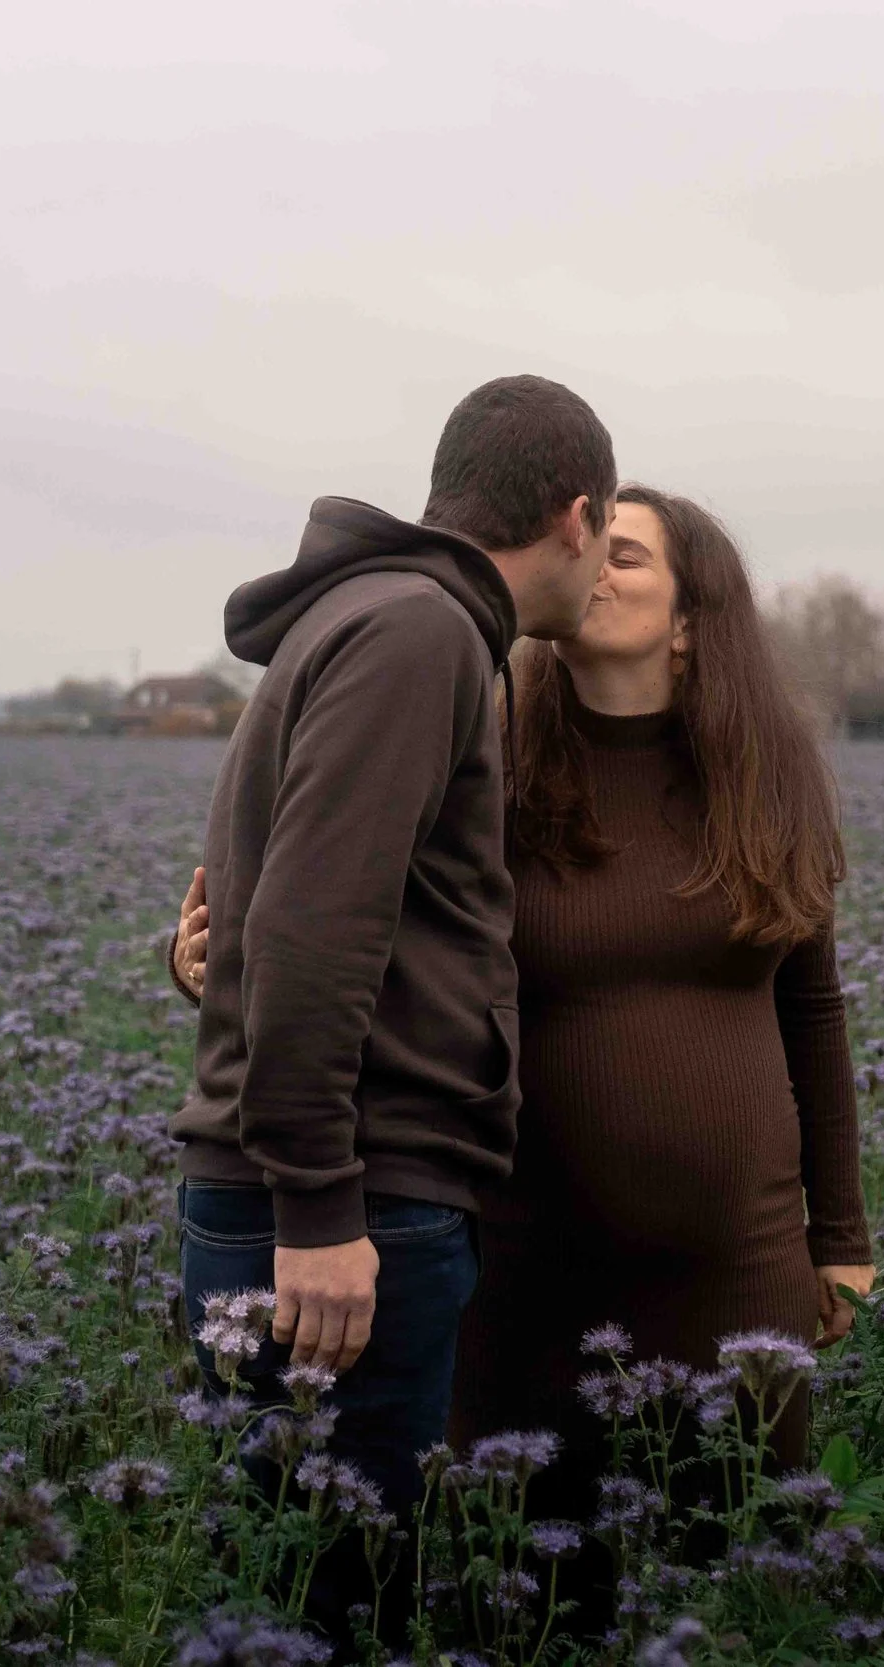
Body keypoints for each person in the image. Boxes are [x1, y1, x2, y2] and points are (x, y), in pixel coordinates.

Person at [171, 483, 876, 1640]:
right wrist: (212, 962)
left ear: (693, 619)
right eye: (595, 544)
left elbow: (815, 1014)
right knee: (523, 1594)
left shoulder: (767, 785)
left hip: (734, 1269)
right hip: (520, 1268)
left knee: (732, 1586)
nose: (593, 565)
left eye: (630, 557)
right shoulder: (485, 755)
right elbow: (332, 914)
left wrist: (839, 1235)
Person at [165, 373, 614, 1654]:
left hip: (315, 1188)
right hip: (340, 1206)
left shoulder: (374, 617)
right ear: (576, 515)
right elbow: (316, 923)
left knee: (286, 1586)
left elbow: (281, 889)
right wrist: (319, 1205)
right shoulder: (420, 632)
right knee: (331, 1604)